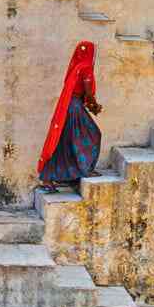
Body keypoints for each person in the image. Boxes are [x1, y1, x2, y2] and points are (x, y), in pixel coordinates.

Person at [37, 41, 103, 193]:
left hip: (69, 106)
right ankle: (85, 168)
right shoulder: (86, 67)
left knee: (64, 141)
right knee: (94, 134)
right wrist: (94, 106)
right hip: (75, 107)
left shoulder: (76, 67)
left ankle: (48, 178)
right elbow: (88, 92)